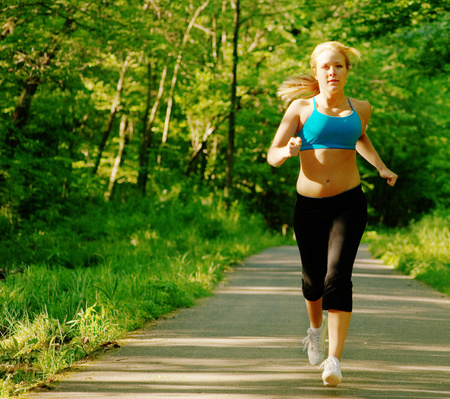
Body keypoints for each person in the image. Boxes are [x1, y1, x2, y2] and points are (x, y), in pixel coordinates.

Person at [267, 41, 398, 387]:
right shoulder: (300, 109)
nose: (332, 72)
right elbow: (272, 154)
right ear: (316, 71)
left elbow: (359, 137)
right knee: (313, 281)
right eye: (325, 66)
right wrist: (288, 150)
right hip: (308, 206)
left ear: (347, 71)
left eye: (338, 66)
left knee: (337, 277)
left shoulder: (361, 108)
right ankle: (315, 330)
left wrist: (382, 167)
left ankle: (334, 359)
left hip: (348, 203)